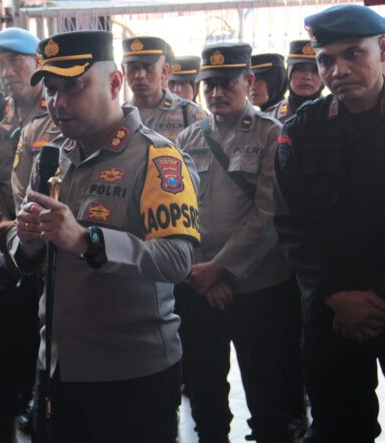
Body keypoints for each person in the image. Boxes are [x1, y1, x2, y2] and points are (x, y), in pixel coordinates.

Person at [9, 30, 201, 443]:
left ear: (115, 83)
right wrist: (27, 237)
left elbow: (176, 261)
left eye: (73, 87)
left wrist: (87, 241)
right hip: (58, 368)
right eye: (51, 89)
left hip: (131, 375)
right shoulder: (51, 156)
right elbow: (22, 250)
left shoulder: (156, 157)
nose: (58, 103)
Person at [274, 5, 385, 442]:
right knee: (339, 427)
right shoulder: (302, 129)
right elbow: (291, 224)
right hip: (331, 311)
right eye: (326, 60)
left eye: (353, 54)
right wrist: (338, 295)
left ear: (382, 50)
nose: (338, 70)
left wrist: (375, 298)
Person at [175, 42, 294, 443]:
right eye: (209, 85)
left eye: (227, 84)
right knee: (205, 384)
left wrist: (219, 267)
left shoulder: (271, 134)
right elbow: (178, 212)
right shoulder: (189, 137)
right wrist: (199, 268)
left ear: (249, 81)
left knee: (265, 387)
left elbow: (268, 213)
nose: (216, 93)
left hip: (258, 287)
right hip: (200, 283)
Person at [0, 27, 56, 443]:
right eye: (0, 64)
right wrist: (7, 230)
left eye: (15, 61)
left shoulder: (61, 106)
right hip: (9, 248)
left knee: (48, 352)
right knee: (1, 350)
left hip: (53, 251)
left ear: (37, 63)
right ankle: (1, 429)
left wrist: (32, 232)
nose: (6, 72)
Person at [122, 36, 206, 142]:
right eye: (133, 68)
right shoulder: (119, 117)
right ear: (123, 71)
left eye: (148, 67)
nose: (140, 75)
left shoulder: (190, 114)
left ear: (165, 71)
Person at [272, 40, 324, 122]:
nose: (307, 77)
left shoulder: (336, 116)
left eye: (315, 70)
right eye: (300, 69)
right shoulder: (271, 117)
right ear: (289, 73)